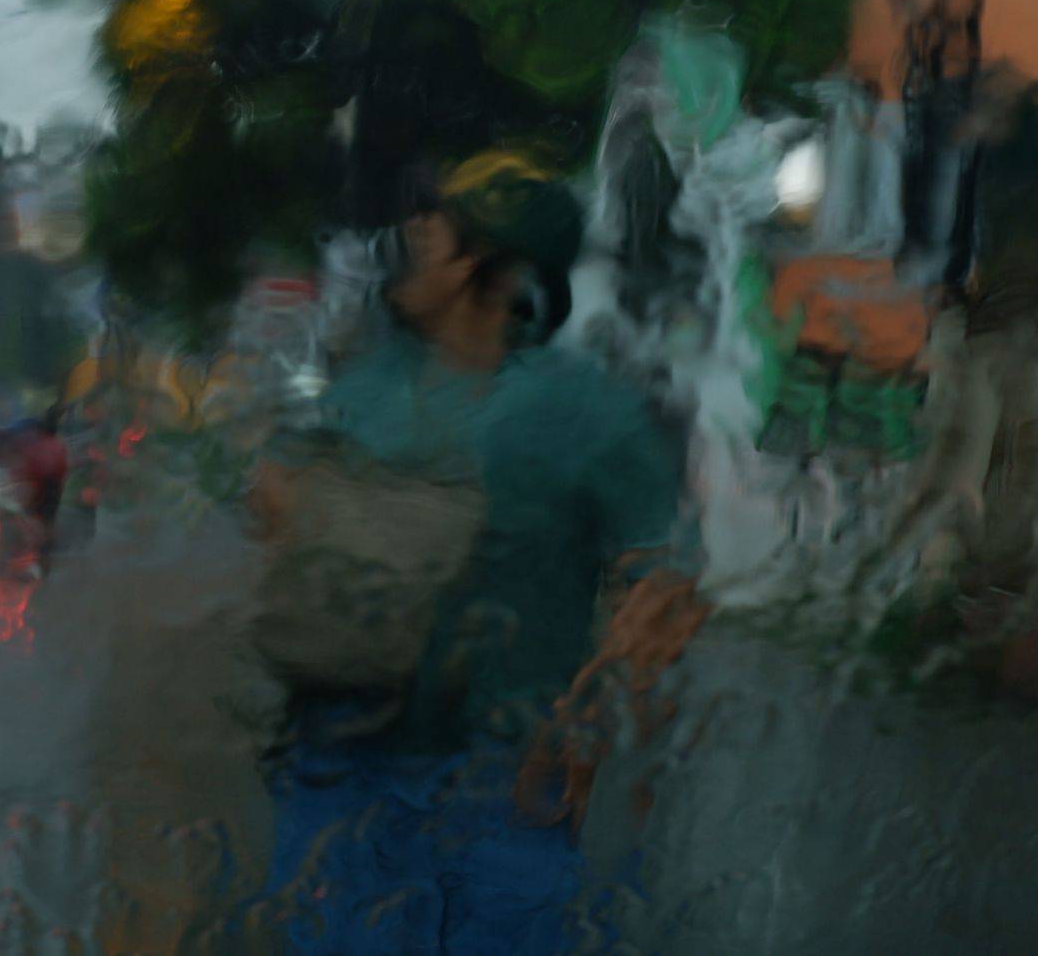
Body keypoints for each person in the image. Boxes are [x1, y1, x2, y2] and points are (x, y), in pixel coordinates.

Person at [244, 149, 705, 953]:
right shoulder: (365, 385)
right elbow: (274, 512)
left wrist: (588, 720)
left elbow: (661, 588)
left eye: (436, 230)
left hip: (504, 785)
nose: (413, 240)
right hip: (339, 768)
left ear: (489, 264)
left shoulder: (584, 411)